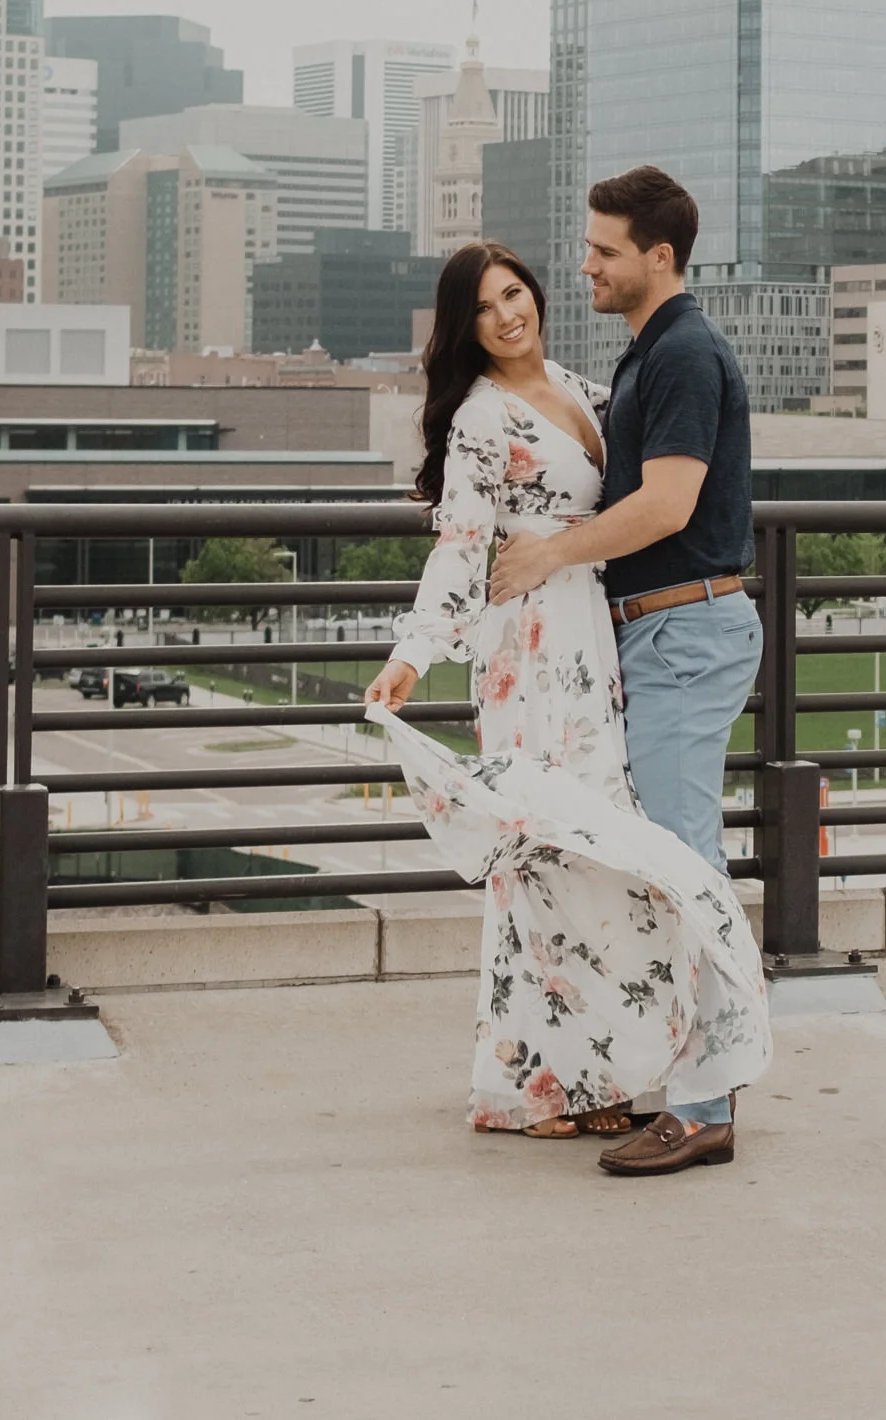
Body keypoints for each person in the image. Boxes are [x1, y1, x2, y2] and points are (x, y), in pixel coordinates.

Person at [364, 239, 768, 1167]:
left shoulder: (588, 392)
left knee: (603, 862)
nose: (509, 315)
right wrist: (414, 655)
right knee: (545, 854)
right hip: (531, 653)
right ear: (465, 331)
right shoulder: (479, 418)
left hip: (598, 639)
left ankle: (602, 1071)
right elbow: (461, 547)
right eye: (485, 309)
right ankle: (527, 1083)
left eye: (515, 294)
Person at [485, 165, 762, 1177]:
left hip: (687, 632)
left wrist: (547, 555)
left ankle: (700, 1106)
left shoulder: (684, 353)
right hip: (658, 634)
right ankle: (682, 1079)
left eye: (604, 250)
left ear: (659, 255)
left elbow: (668, 505)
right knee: (664, 863)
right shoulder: (647, 358)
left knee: (686, 866)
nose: (586, 264)